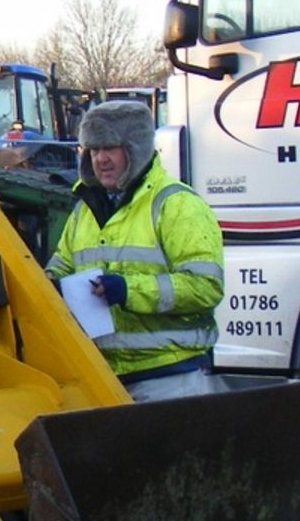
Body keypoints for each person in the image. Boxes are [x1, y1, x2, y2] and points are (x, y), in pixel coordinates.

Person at [47, 99, 226, 401]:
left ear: (136, 148)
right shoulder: (84, 212)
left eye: (110, 148)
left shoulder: (177, 204)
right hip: (102, 379)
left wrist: (129, 290)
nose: (100, 158)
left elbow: (206, 286)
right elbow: (59, 269)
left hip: (172, 379)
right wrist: (48, 287)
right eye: (93, 149)